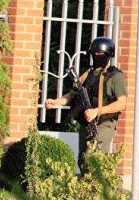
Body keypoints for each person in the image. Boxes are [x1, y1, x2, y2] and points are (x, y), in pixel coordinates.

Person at [45, 36, 127, 172]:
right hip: (86, 123)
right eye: (94, 54)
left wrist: (97, 111)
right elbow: (72, 95)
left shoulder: (115, 76)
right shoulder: (87, 74)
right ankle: (85, 190)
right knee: (83, 160)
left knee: (94, 158)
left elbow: (122, 104)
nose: (97, 56)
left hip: (103, 123)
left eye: (100, 54)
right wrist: (55, 102)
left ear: (108, 55)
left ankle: (99, 191)